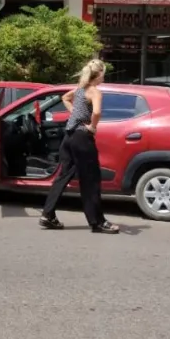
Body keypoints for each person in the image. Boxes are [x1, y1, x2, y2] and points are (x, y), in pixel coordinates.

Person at [38, 59, 120, 234]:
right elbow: (97, 112)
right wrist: (92, 126)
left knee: (63, 175)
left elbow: (65, 98)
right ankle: (97, 222)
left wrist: (75, 113)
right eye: (103, 73)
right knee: (91, 180)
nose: (104, 77)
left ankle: (47, 214)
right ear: (97, 74)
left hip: (68, 137)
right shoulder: (94, 92)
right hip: (82, 138)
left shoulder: (80, 89)